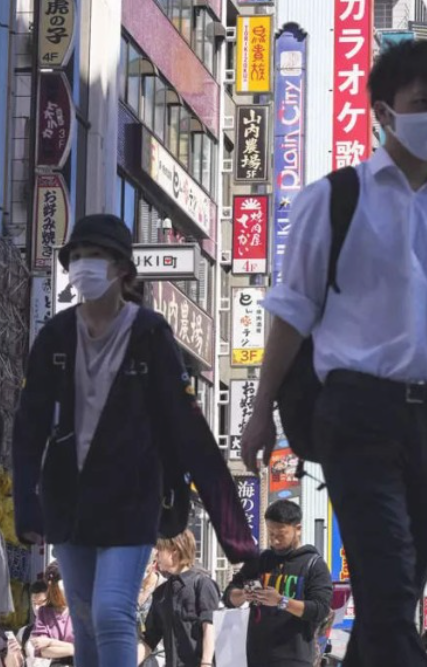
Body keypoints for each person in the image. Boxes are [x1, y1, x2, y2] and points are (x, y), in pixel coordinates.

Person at [237, 39, 427, 667]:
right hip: (353, 412)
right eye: (423, 103)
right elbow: (291, 312)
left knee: (398, 596)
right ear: (384, 112)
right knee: (388, 592)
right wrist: (258, 412)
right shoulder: (332, 200)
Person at [12, 214, 257, 667]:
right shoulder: (56, 336)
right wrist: (28, 504)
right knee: (84, 615)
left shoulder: (149, 334)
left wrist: (237, 537)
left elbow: (190, 432)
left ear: (122, 269)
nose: (85, 266)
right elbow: (28, 429)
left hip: (132, 500)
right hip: (68, 502)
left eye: (97, 256)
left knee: (111, 611)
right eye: (79, 256)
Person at [222, 500, 333, 667]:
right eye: (271, 534)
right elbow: (228, 596)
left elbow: (319, 609)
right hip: (256, 656)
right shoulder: (259, 561)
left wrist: (282, 601)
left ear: (298, 529)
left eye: (280, 535)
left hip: (295, 657)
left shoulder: (314, 565)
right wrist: (243, 595)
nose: (274, 540)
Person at [139, 531, 218, 667]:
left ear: (174, 551)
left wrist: (206, 663)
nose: (156, 555)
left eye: (160, 550)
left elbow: (210, 627)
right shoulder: (161, 593)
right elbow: (149, 639)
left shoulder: (202, 584)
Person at [29, 563, 74, 664]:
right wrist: (73, 648)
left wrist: (51, 642)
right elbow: (42, 650)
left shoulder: (83, 610)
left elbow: (89, 647)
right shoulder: (44, 613)